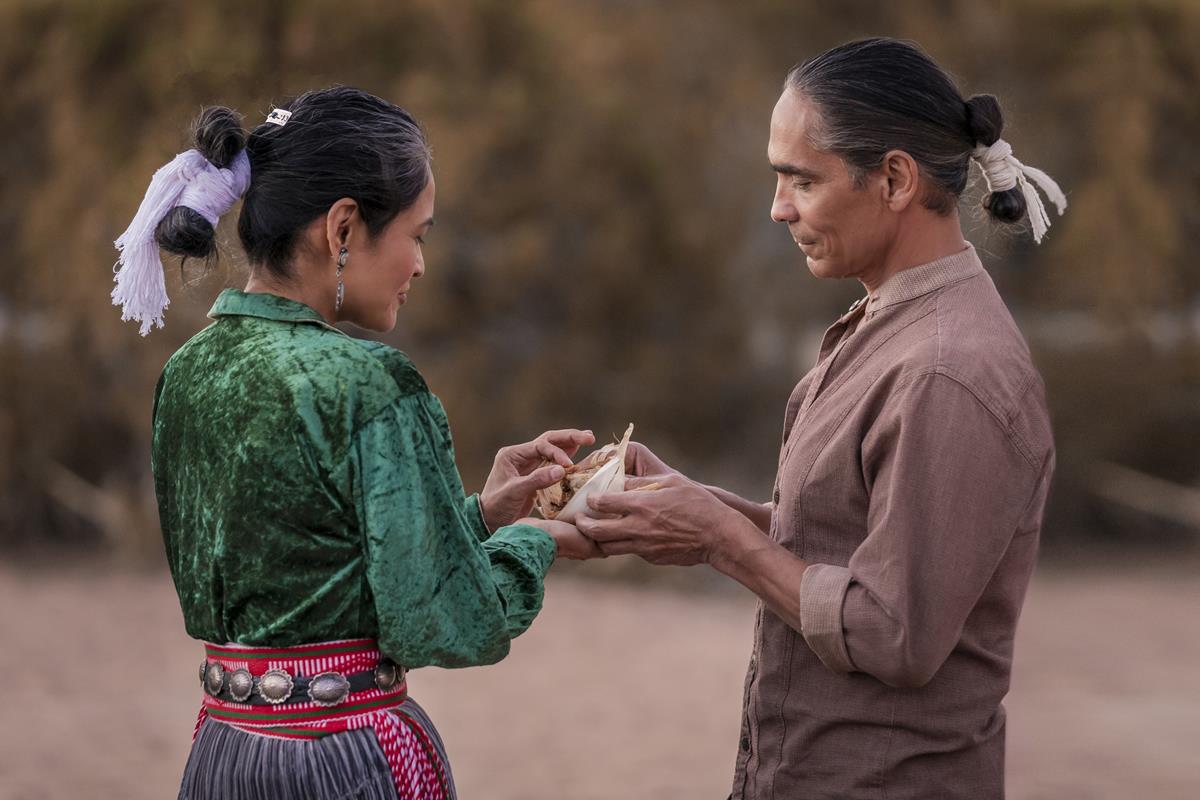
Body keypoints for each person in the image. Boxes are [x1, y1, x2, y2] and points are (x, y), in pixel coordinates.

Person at [576, 38, 1063, 799]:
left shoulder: (946, 370)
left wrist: (722, 542)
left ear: (895, 179)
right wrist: (698, 511)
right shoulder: (885, 326)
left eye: (801, 179)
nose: (778, 208)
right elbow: (851, 540)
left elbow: (894, 634)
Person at [113, 87, 597, 799]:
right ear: (342, 229)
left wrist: (479, 514)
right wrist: (537, 540)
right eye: (418, 235)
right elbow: (444, 621)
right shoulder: (368, 384)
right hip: (341, 761)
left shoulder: (187, 373)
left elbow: (317, 569)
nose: (421, 265)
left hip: (224, 754)